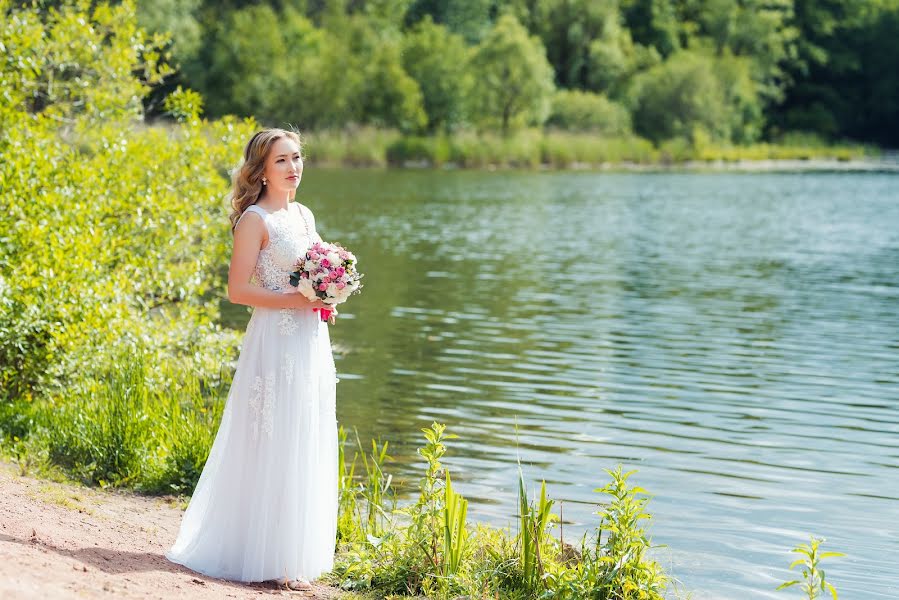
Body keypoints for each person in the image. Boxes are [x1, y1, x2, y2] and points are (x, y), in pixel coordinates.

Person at [166, 129, 338, 591]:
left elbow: (311, 275)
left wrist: (325, 297)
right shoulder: (254, 220)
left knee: (305, 432)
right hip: (274, 342)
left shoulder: (304, 215)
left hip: (310, 341)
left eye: (297, 158)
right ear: (261, 169)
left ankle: (292, 555)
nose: (293, 168)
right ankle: (258, 552)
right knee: (271, 437)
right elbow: (238, 290)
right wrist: (295, 301)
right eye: (282, 160)